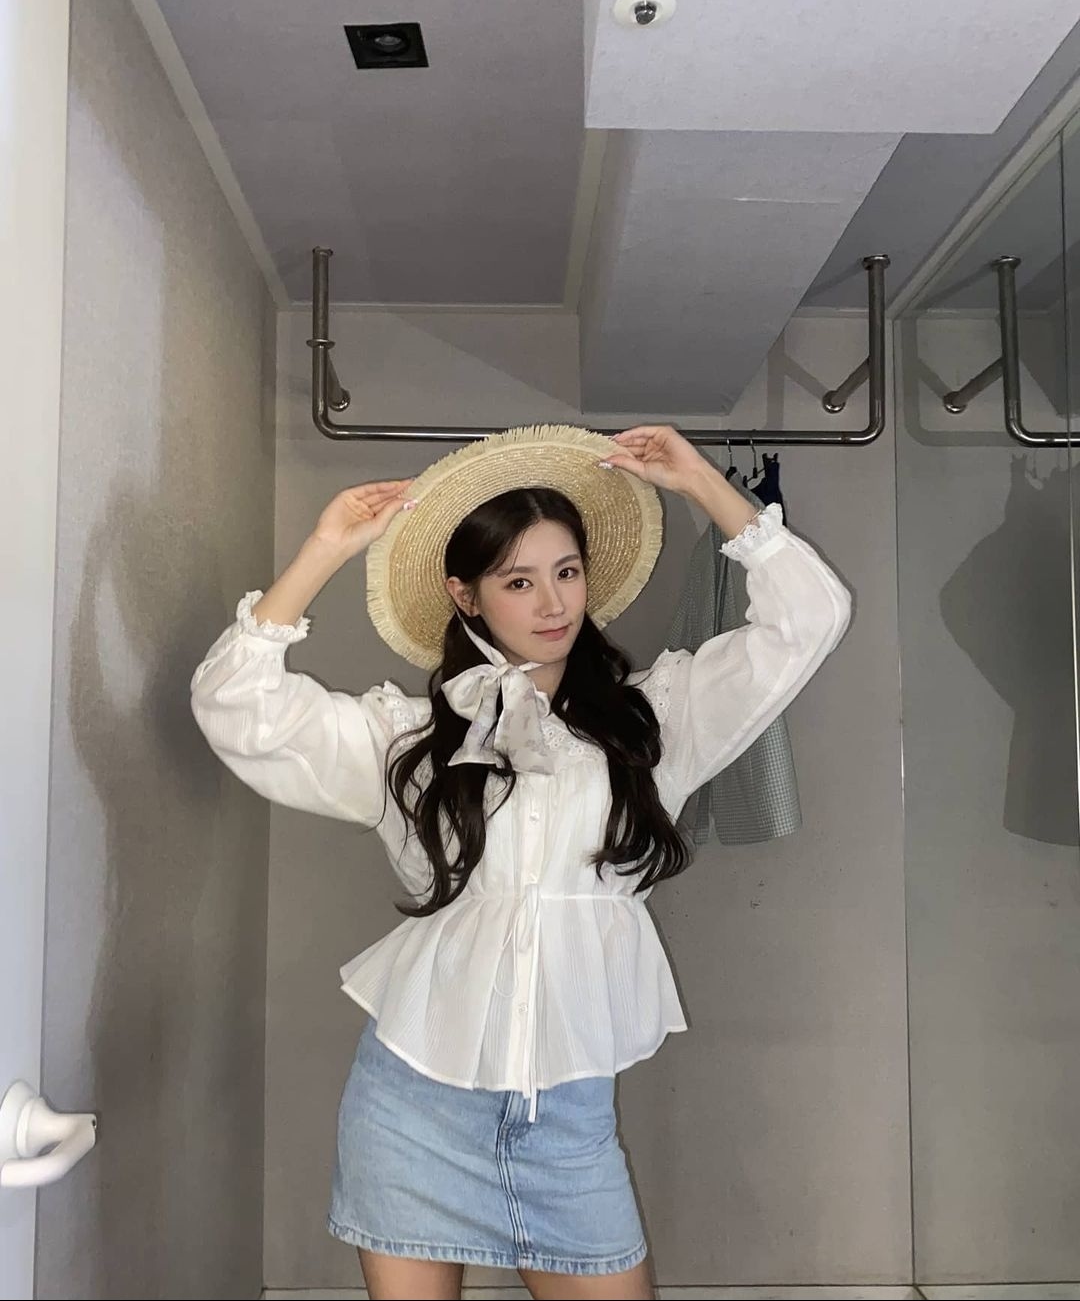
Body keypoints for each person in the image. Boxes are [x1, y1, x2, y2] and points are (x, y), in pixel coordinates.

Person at [190, 423, 852, 1301]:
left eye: (567, 572)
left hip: (567, 1124)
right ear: (465, 596)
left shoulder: (655, 720)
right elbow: (235, 706)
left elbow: (812, 618)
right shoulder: (406, 741)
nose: (552, 603)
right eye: (518, 581)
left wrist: (701, 483)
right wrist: (324, 549)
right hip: (411, 1107)